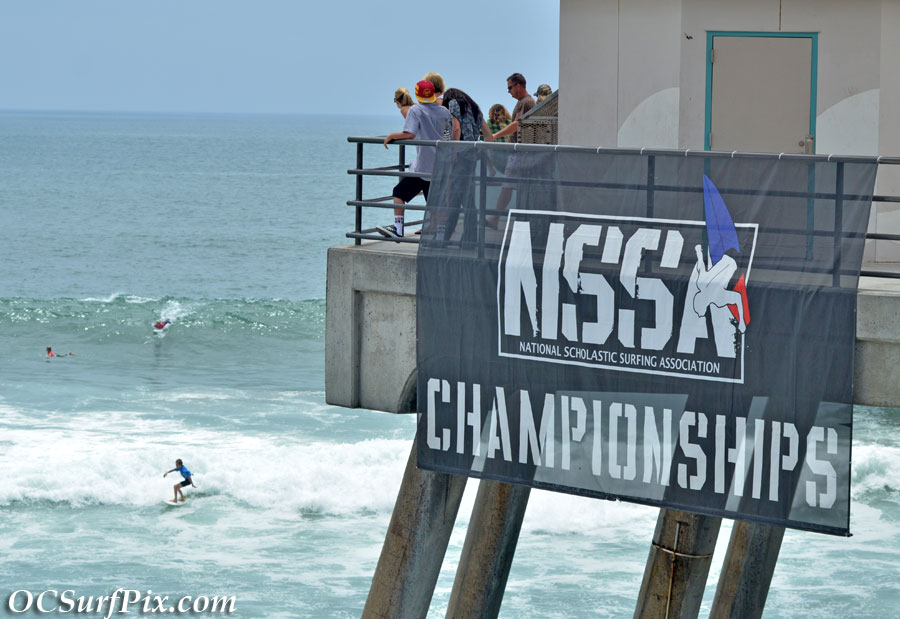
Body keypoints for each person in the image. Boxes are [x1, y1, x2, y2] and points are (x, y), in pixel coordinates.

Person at [378, 80, 452, 240]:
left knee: (398, 193)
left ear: (417, 95)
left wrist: (391, 135)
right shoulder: (445, 112)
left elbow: (409, 134)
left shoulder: (416, 110)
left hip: (423, 165)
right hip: (440, 164)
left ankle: (398, 229)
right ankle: (440, 237)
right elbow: (448, 137)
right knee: (436, 202)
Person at [489, 73, 536, 227]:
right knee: (512, 186)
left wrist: (494, 136)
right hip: (520, 152)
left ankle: (495, 218)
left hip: (519, 153)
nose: (508, 91)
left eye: (510, 87)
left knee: (507, 186)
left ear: (518, 85)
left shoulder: (525, 102)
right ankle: (515, 219)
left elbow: (517, 124)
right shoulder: (525, 102)